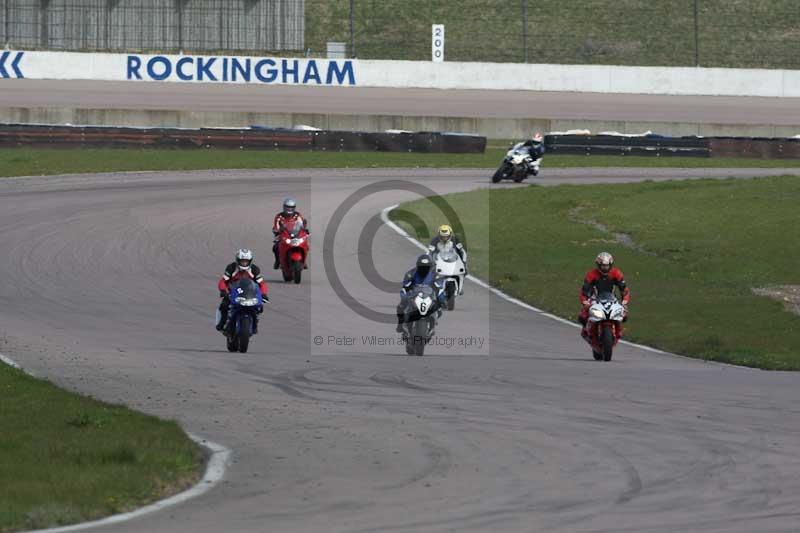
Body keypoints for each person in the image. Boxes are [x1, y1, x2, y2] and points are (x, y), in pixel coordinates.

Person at [578, 252, 630, 340]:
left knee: (624, 315)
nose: (605, 268)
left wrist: (624, 302)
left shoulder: (616, 273)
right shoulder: (591, 274)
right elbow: (584, 291)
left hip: (612, 299)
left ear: (611, 264)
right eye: (602, 266)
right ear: (598, 265)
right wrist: (585, 302)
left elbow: (624, 290)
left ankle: (618, 331)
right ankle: (586, 331)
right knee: (582, 316)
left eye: (607, 265)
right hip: (594, 298)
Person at [216, 248, 269, 334]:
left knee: (260, 307)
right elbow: (223, 281)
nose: (244, 263)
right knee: (224, 305)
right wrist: (223, 290)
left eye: (246, 261)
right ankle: (222, 323)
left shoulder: (254, 269)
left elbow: (262, 283)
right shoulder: (231, 267)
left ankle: (255, 324)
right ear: (237, 260)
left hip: (250, 293)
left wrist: (263, 294)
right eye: (242, 261)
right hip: (233, 292)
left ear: (250, 261)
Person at [395, 254, 446, 333]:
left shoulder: (436, 275)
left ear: (431, 266)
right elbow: (405, 287)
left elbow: (440, 289)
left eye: (426, 266)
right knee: (401, 306)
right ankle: (400, 325)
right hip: (414, 296)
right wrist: (404, 296)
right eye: (422, 266)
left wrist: (442, 299)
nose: (424, 269)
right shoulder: (410, 274)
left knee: (439, 309)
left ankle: (432, 324)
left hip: (429, 296)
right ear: (418, 266)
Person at [428, 224, 468, 294]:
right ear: (439, 235)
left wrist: (464, 262)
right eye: (443, 237)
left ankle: (461, 286)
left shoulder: (455, 240)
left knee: (465, 271)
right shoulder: (435, 240)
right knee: (430, 271)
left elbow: (462, 252)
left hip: (452, 259)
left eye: (446, 236)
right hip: (438, 260)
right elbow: (429, 252)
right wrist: (431, 261)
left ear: (450, 235)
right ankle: (432, 285)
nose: (445, 238)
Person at [272, 197, 309, 269]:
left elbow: (301, 224)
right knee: (275, 247)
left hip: (296, 234)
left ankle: (304, 261)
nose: (289, 209)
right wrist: (277, 231)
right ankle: (277, 261)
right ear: (284, 207)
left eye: (291, 208)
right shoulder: (279, 216)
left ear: (294, 208)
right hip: (283, 234)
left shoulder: (297, 215)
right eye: (287, 207)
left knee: (306, 245)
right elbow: (276, 226)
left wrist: (305, 230)